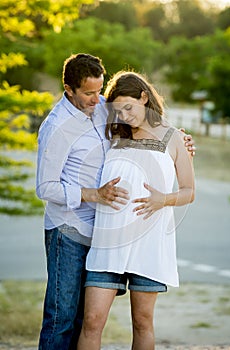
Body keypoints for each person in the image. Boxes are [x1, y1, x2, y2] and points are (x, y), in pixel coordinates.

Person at [36, 53, 195, 350]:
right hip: (75, 234)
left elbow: (159, 144)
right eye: (89, 93)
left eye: (100, 92)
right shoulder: (60, 127)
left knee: (109, 320)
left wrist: (181, 144)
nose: (98, 101)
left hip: (119, 234)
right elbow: (45, 187)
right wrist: (95, 194)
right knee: (68, 318)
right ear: (69, 89)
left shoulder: (103, 113)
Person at [77, 71, 195, 350]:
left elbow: (189, 191)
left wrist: (162, 200)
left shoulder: (175, 139)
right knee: (92, 320)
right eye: (118, 111)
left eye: (129, 107)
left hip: (150, 244)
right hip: (108, 243)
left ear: (144, 97)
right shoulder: (112, 136)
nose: (125, 116)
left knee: (142, 321)